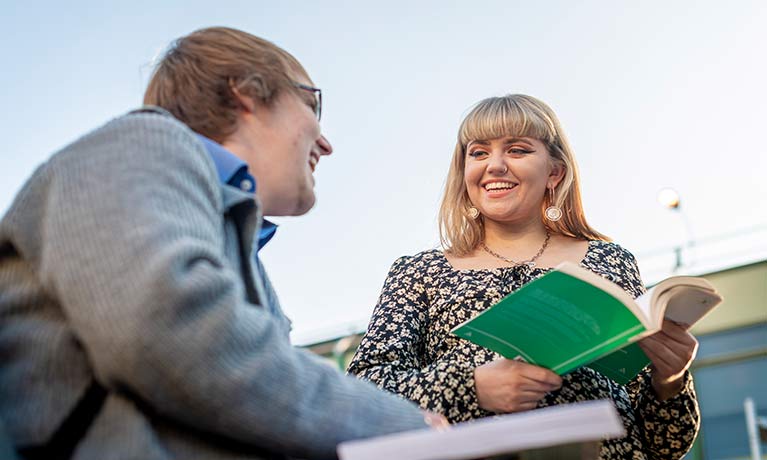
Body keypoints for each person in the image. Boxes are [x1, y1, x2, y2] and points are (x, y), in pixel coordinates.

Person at [0, 27, 445, 460]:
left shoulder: (231, 236)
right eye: (312, 103)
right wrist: (404, 425)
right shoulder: (141, 143)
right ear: (245, 94)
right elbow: (169, 334)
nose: (325, 143)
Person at [348, 94, 700, 459]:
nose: (495, 166)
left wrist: (670, 380)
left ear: (554, 172)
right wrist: (471, 387)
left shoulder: (611, 262)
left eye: (516, 150)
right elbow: (365, 392)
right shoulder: (418, 273)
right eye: (479, 153)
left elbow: (666, 445)